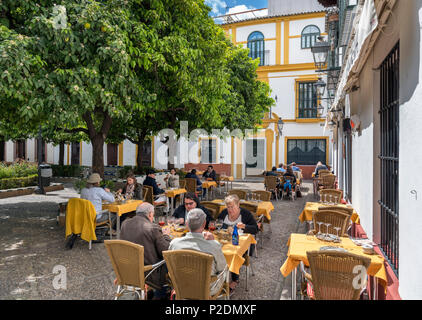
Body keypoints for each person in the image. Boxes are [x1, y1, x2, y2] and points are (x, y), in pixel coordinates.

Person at [169, 208, 228, 297]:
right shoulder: (214, 245)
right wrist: (213, 242)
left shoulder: (174, 243)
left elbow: (170, 265)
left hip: (182, 286)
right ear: (204, 224)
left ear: (186, 224)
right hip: (207, 289)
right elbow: (222, 268)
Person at [120, 202, 171, 299]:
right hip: (148, 273)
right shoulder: (152, 228)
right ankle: (160, 295)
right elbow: (165, 250)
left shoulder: (124, 224)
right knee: (170, 261)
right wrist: (166, 235)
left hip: (127, 270)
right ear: (150, 214)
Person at [217, 194, 258, 291]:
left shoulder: (245, 214)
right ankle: (219, 276)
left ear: (238, 205)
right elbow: (217, 224)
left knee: (233, 254)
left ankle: (235, 280)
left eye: (232, 207)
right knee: (215, 250)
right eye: (228, 207)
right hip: (225, 241)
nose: (230, 209)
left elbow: (255, 229)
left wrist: (244, 226)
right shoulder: (224, 213)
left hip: (242, 245)